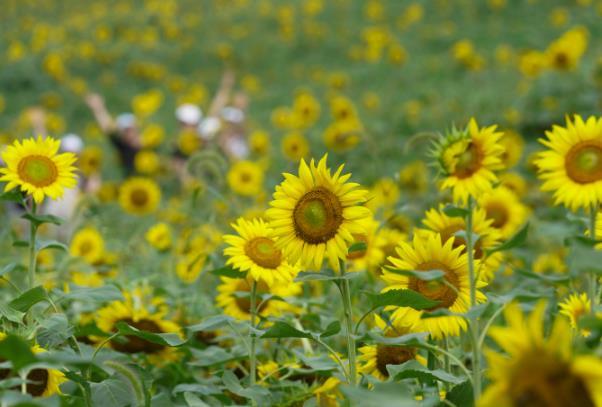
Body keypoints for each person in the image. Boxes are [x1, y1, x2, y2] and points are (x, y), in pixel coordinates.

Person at [85, 93, 141, 177]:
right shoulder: (124, 147)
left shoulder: (151, 143)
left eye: (130, 129)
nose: (129, 133)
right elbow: (107, 128)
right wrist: (98, 108)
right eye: (125, 130)